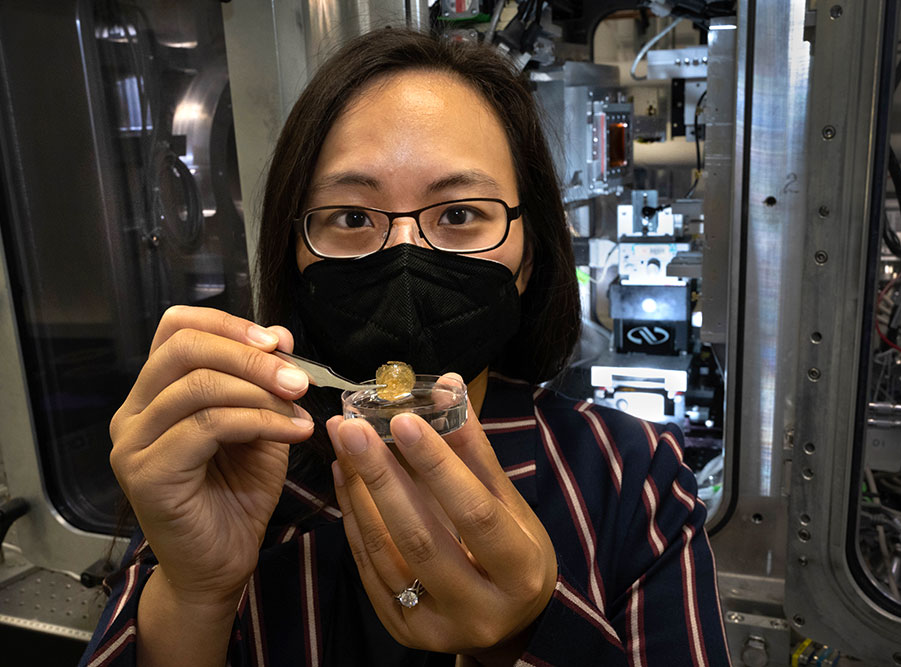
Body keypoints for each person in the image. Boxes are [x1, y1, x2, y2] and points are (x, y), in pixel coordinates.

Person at [80, 28, 731, 667]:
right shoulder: (229, 471)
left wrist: (526, 636)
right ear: (295, 251)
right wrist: (195, 593)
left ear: (528, 255)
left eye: (457, 214)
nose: (404, 257)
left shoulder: (629, 476)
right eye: (353, 217)